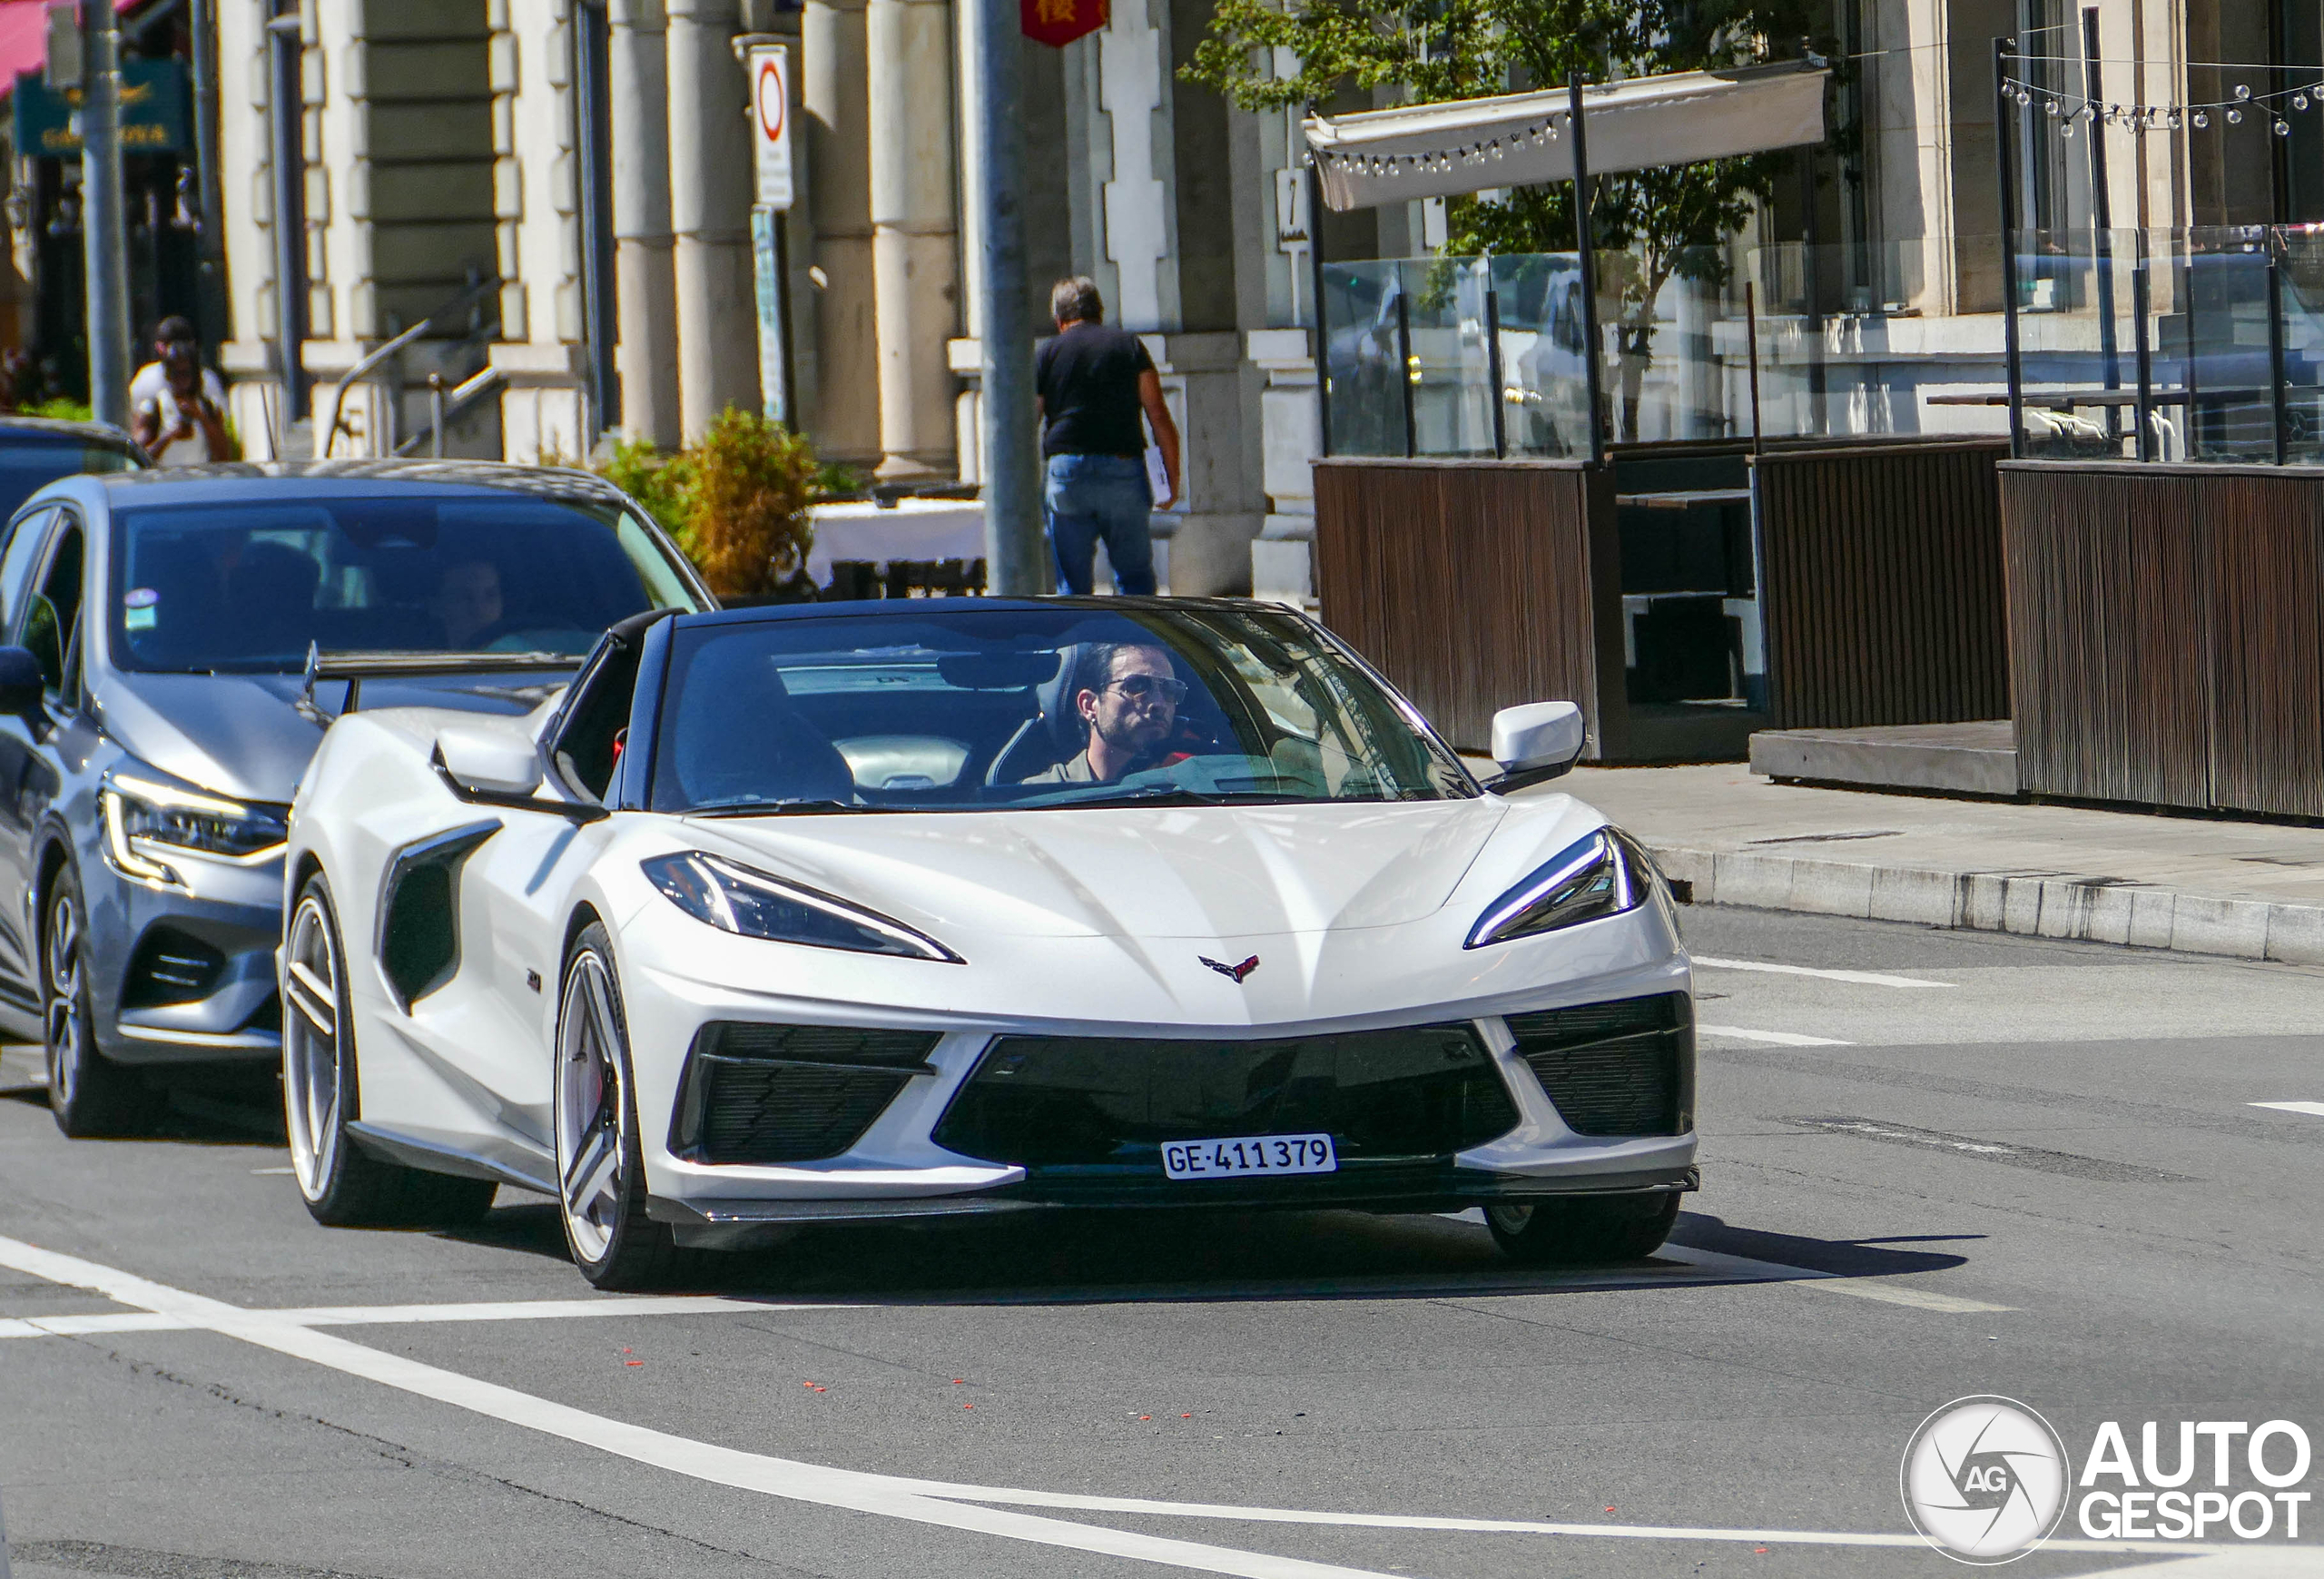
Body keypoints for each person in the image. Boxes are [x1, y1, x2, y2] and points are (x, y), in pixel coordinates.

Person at [1034, 277, 1181, 597]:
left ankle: (1079, 646)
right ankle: (1138, 646)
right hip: (1122, 470)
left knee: (1072, 589)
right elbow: (1157, 414)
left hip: (1067, 472)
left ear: (1059, 320)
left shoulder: (1048, 353)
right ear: (1100, 313)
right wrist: (1171, 479)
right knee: (1135, 581)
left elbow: (1029, 419)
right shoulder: (1128, 345)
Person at [1026, 641, 1187, 785]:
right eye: (1137, 686)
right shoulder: (1039, 799)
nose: (1159, 704)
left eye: (1169, 690)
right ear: (1089, 705)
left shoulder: (1195, 789)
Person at [130, 318, 232, 466]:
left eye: (186, 374)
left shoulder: (207, 405)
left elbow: (224, 455)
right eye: (175, 374)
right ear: (167, 375)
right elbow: (139, 458)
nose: (181, 381)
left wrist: (200, 417)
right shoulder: (153, 406)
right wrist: (170, 435)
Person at [431, 558, 504, 648]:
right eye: (465, 597)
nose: (480, 610)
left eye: (491, 596)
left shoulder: (523, 654)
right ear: (437, 606)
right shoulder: (417, 659)